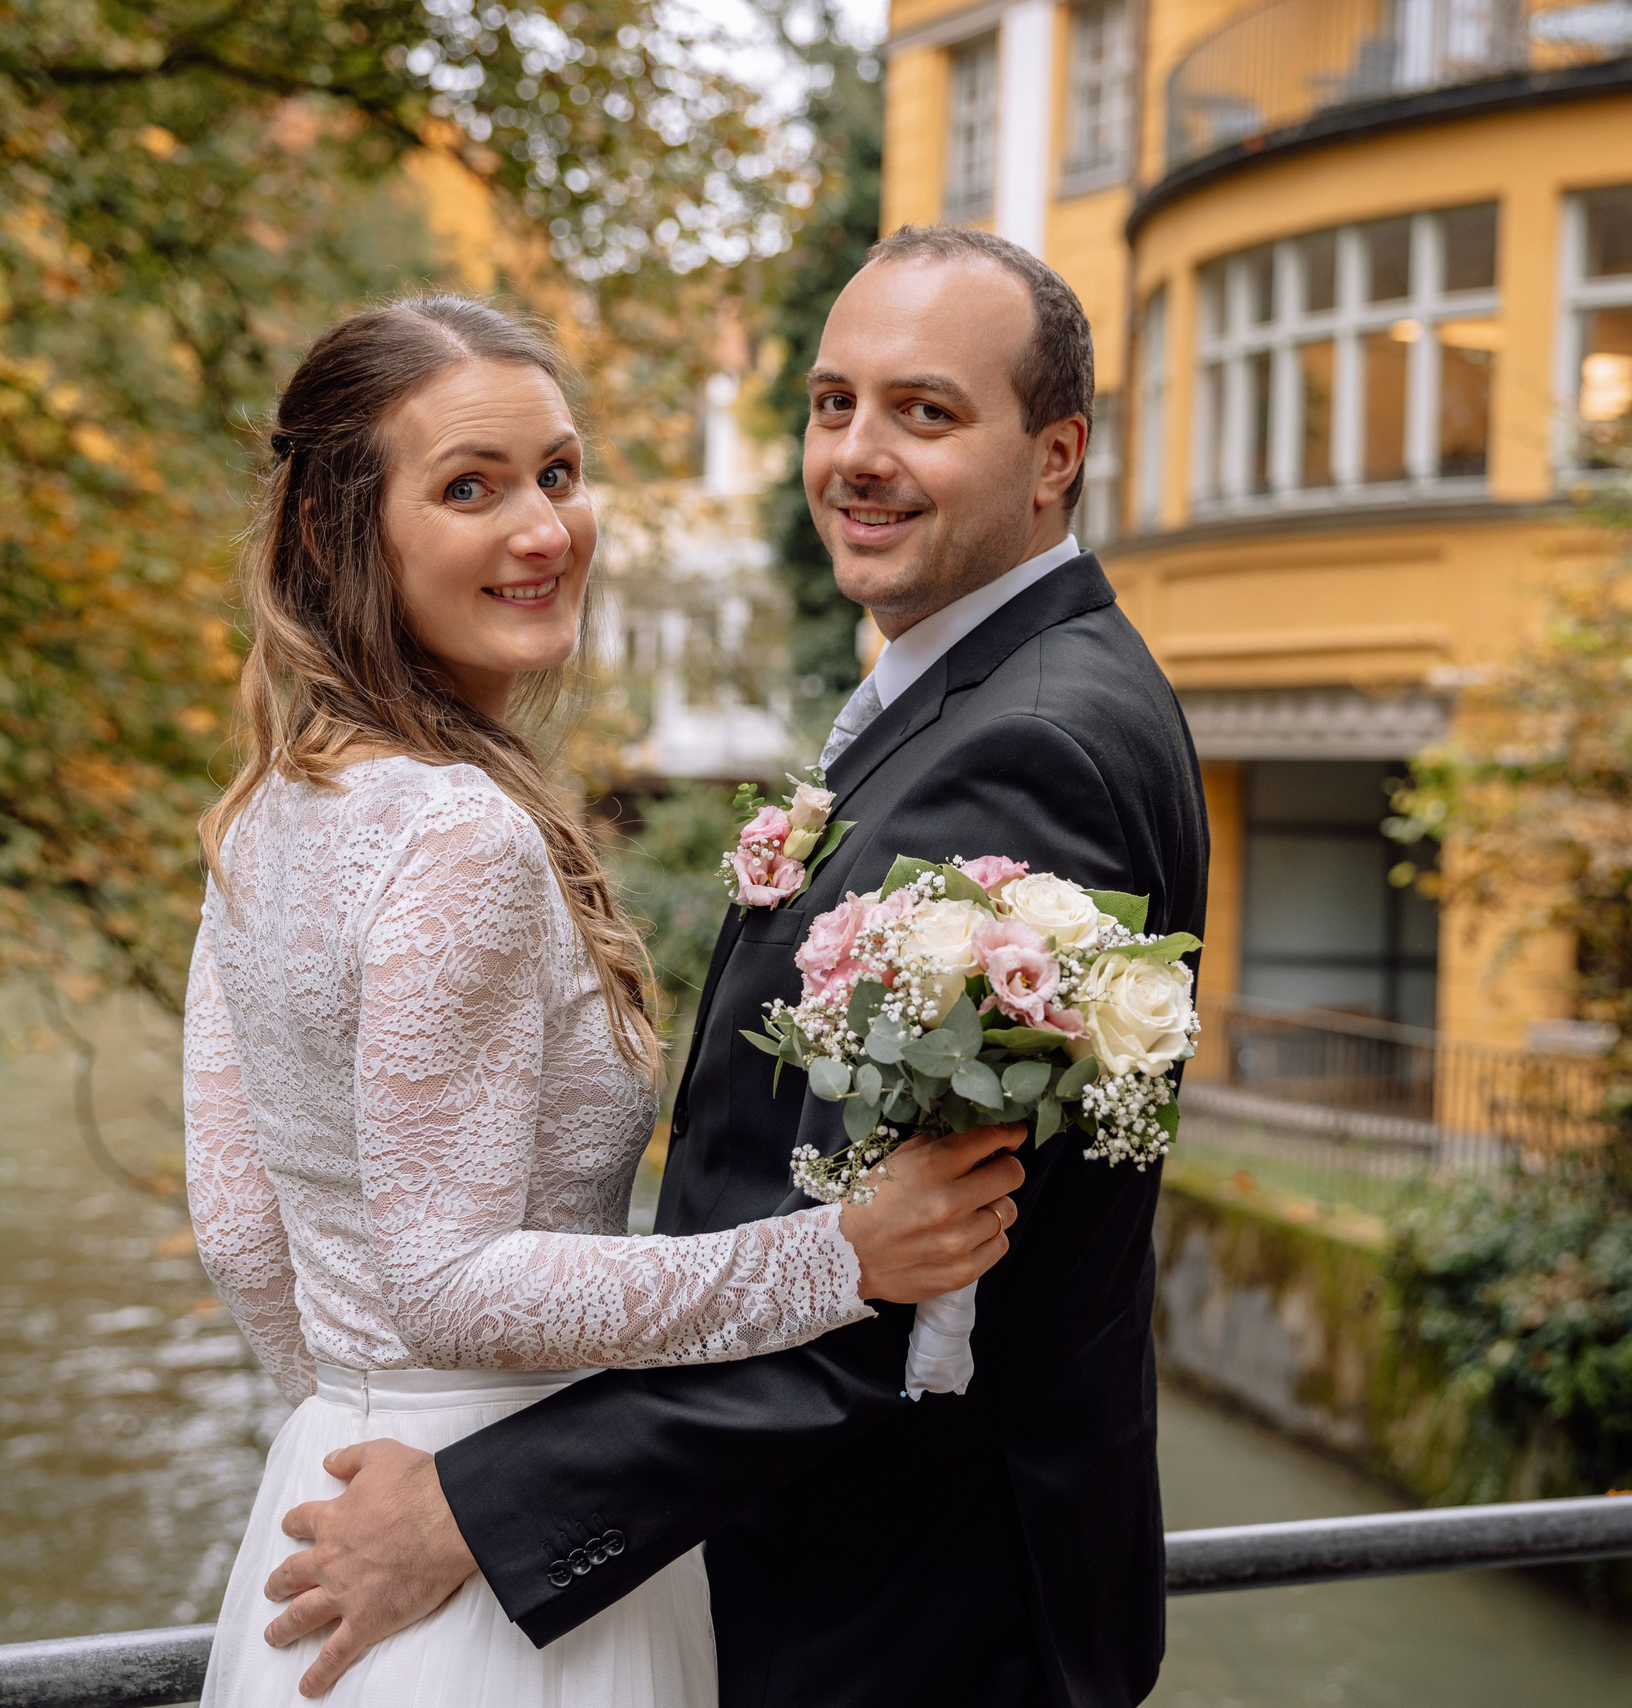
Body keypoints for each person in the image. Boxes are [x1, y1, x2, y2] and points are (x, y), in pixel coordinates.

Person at [260, 231, 1211, 1707]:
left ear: (1056, 455)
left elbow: (908, 1279)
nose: (859, 455)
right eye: (834, 404)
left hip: (910, 1616)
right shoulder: (978, 692)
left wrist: (471, 1500)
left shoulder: (1029, 749)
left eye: (926, 412)